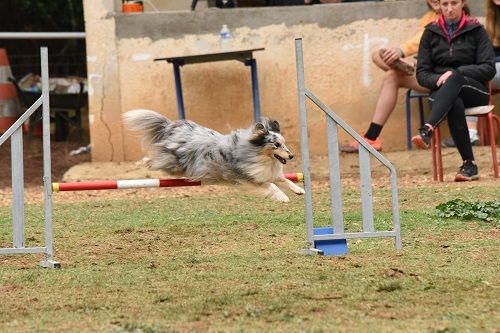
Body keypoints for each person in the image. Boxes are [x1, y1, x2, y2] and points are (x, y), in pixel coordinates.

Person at [411, 0, 496, 181]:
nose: (450, 9)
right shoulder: (430, 32)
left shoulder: (476, 30)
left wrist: (456, 72)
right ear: (439, 5)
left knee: (456, 76)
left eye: (454, 3)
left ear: (463, 3)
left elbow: (489, 68)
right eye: (445, 4)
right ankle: (469, 165)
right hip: (441, 93)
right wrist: (437, 79)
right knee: (454, 102)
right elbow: (422, 74)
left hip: (474, 90)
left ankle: (427, 129)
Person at [341, 0, 441, 152]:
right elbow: (425, 46)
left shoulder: (453, 17)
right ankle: (372, 138)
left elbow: (425, 37)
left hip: (442, 77)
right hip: (425, 71)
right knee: (384, 65)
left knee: (392, 72)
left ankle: (405, 66)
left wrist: (401, 51)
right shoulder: (429, 17)